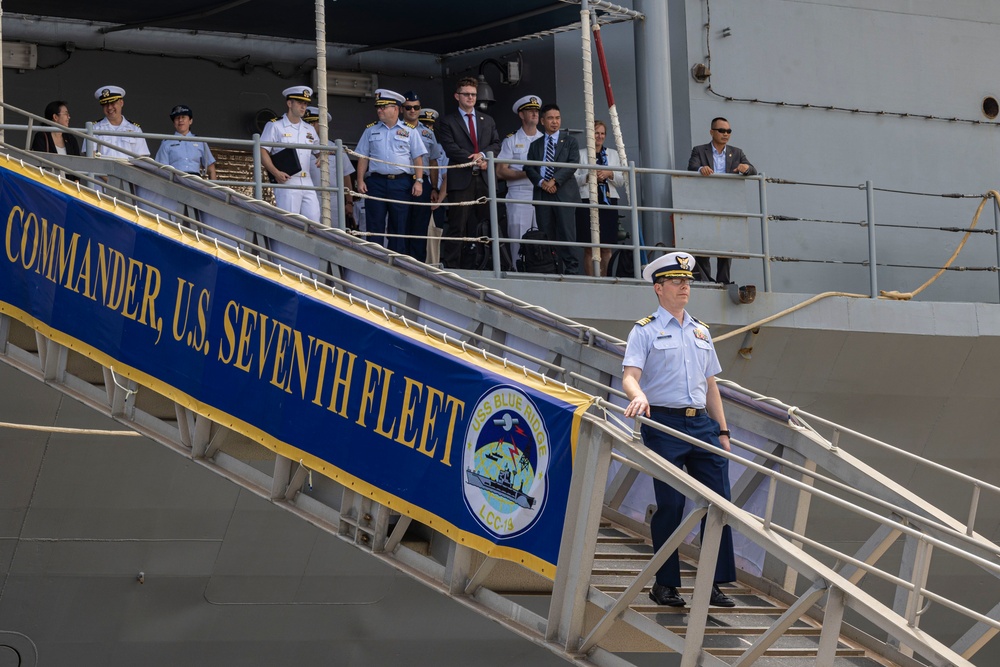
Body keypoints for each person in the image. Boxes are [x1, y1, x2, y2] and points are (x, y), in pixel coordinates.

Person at [621, 251, 737, 609]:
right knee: (672, 505)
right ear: (659, 289)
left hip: (701, 424)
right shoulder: (645, 330)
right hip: (664, 424)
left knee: (720, 503)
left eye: (687, 281)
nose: (685, 286)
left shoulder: (701, 331)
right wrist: (638, 396)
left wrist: (723, 431)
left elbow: (711, 384)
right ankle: (665, 584)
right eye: (676, 281)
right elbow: (629, 375)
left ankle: (712, 582)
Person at [435, 77, 500, 269]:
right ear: (457, 96)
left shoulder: (487, 120)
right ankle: (452, 266)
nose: (471, 97)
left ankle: (488, 263)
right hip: (461, 179)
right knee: (457, 225)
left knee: (488, 224)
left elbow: (496, 144)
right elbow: (450, 148)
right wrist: (475, 159)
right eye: (467, 94)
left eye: (473, 94)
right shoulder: (447, 121)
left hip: (485, 179)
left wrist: (482, 156)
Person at [686, 117, 756, 284]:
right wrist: (700, 169)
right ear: (712, 132)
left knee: (726, 243)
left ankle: (723, 281)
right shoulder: (699, 150)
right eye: (721, 131)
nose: (726, 134)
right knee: (703, 241)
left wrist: (745, 169)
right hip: (704, 203)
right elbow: (691, 166)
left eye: (728, 131)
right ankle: (706, 280)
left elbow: (753, 170)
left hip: (727, 204)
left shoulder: (737, 152)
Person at [355, 88, 427, 251]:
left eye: (383, 107)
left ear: (395, 108)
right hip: (376, 182)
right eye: (378, 107)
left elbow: (418, 157)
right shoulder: (370, 130)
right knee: (374, 225)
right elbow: (363, 157)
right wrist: (360, 181)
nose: (379, 110)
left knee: (399, 225)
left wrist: (419, 181)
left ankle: (397, 263)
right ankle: (374, 261)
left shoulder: (410, 131)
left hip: (401, 183)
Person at [524, 103, 581, 275]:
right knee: (546, 234)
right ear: (542, 121)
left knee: (567, 233)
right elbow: (529, 167)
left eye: (557, 118)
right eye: (550, 118)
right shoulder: (536, 144)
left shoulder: (570, 141)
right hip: (543, 194)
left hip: (564, 194)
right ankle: (549, 268)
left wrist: (554, 181)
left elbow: (572, 164)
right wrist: (542, 182)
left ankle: (572, 271)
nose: (555, 122)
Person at [260, 86, 321, 222]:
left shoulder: (309, 128)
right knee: (290, 223)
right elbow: (262, 151)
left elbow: (319, 152)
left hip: (307, 180)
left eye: (305, 104)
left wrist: (322, 157)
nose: (303, 107)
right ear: (289, 103)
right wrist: (276, 173)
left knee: (314, 220)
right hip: (287, 179)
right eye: (300, 103)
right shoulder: (275, 125)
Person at [497, 95, 543, 265]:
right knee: (518, 239)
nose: (534, 113)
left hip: (541, 193)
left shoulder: (545, 140)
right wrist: (529, 173)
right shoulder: (511, 140)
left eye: (536, 110)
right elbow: (500, 171)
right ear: (521, 115)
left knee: (541, 239)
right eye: (530, 110)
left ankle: (541, 272)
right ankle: (518, 272)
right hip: (519, 194)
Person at [575, 119, 625, 276]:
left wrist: (609, 173)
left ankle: (607, 278)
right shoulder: (580, 154)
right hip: (587, 201)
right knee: (589, 247)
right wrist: (590, 177)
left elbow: (621, 180)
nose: (599, 136)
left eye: (602, 133)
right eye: (596, 133)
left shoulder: (613, 154)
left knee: (606, 246)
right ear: (590, 134)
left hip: (608, 201)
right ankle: (592, 279)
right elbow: (574, 179)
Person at [303, 105, 355, 227]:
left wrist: (349, 202)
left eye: (313, 123)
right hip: (308, 196)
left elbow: (346, 176)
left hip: (333, 199)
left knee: (334, 236)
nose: (309, 127)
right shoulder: (299, 146)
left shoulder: (335, 148)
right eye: (307, 123)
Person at [401, 91, 437, 261]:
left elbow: (434, 161)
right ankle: (401, 259)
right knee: (401, 221)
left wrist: (435, 187)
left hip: (424, 182)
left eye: (416, 107)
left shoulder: (428, 133)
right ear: (402, 109)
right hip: (403, 179)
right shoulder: (396, 129)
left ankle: (418, 263)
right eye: (408, 107)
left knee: (420, 224)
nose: (412, 111)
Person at [83, 85, 150, 159]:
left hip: (128, 169)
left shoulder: (135, 129)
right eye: (105, 104)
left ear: (121, 103)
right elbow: (90, 157)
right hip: (102, 169)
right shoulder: (94, 128)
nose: (109, 107)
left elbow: (142, 158)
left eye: (112, 103)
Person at [154, 105, 217, 178]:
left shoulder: (200, 141)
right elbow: (162, 169)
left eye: (183, 117)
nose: (180, 120)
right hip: (175, 180)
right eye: (177, 118)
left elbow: (211, 168)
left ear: (190, 121)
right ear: (174, 123)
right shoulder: (166, 143)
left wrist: (213, 188)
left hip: (196, 180)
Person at [420, 108, 447, 266]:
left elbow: (446, 176)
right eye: (424, 126)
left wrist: (438, 198)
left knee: (434, 234)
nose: (428, 130)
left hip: (437, 198)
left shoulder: (443, 151)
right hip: (419, 193)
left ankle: (432, 264)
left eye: (431, 127)